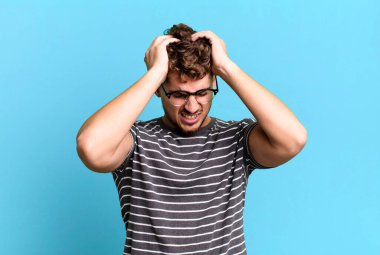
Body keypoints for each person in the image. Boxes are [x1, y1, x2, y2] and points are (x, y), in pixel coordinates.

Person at [76, 23, 307, 254]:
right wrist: (155, 73)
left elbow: (293, 138)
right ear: (159, 89)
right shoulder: (134, 141)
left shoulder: (235, 140)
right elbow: (91, 147)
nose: (192, 106)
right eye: (179, 94)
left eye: (202, 93)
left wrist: (226, 67)